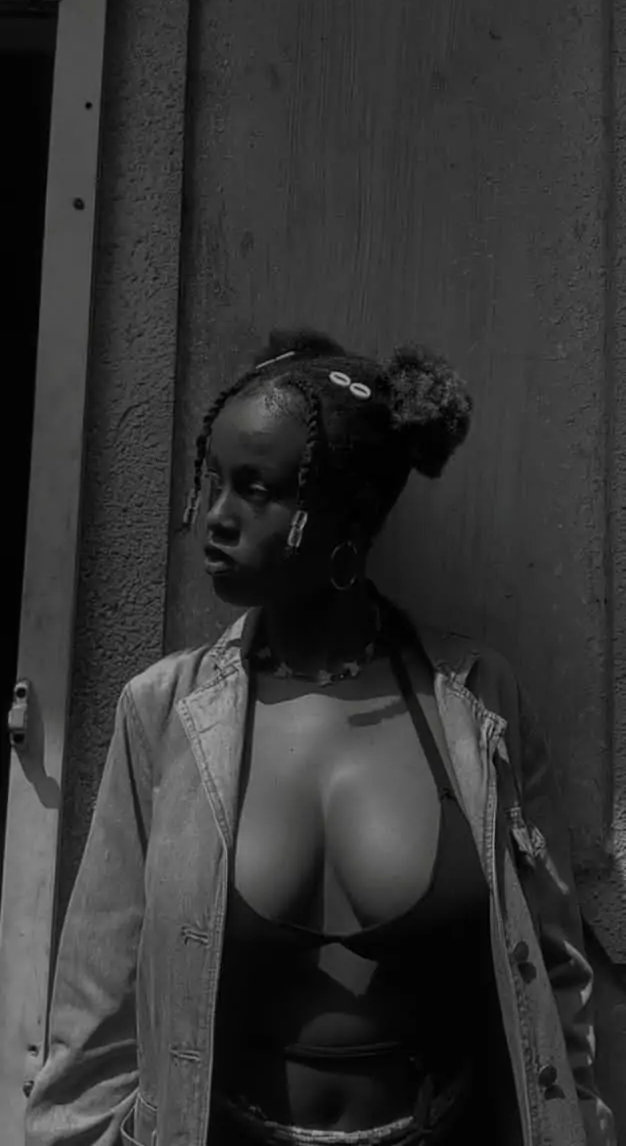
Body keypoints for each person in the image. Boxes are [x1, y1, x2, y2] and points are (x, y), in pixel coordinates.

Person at [25, 328, 615, 1146]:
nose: (215, 518)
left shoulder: (476, 704)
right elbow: (95, 1015)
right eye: (213, 480)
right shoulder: (166, 712)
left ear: (349, 516)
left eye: (257, 489)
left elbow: (554, 981)